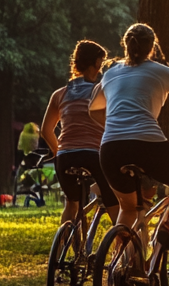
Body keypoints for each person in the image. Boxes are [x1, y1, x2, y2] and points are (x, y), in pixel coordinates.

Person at [88, 23, 169, 252]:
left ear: (125, 44)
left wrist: (117, 126)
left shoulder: (111, 73)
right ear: (152, 47)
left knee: (128, 209)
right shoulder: (163, 72)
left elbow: (93, 109)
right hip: (148, 144)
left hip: (110, 149)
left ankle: (123, 269)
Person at [40, 40, 119, 234]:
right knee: (113, 202)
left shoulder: (59, 94)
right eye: (99, 65)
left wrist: (58, 150)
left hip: (66, 156)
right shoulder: (102, 92)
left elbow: (45, 130)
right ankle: (125, 248)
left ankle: (64, 251)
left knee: (71, 204)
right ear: (94, 65)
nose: (100, 70)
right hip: (94, 154)